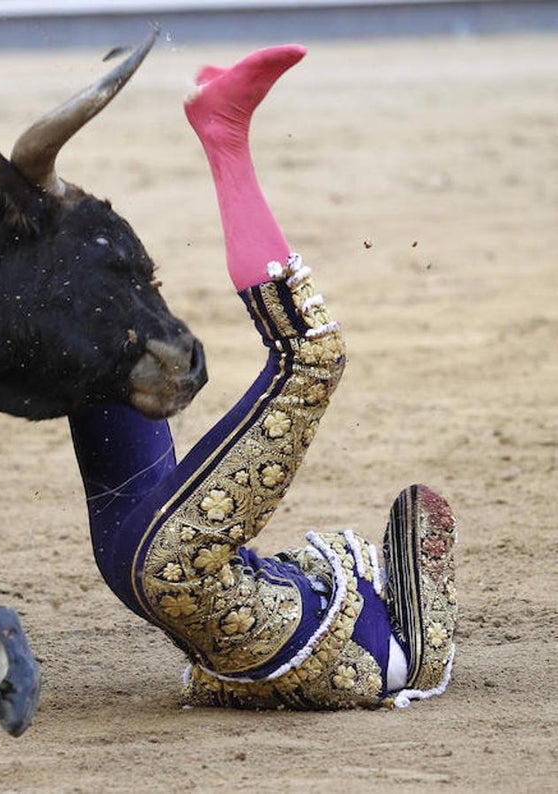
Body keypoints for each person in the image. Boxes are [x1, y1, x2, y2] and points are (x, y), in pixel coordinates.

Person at [68, 44, 457, 709]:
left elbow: (425, 521)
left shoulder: (410, 662)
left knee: (313, 358)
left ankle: (226, 138)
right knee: (93, 321)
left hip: (176, 564)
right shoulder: (322, 665)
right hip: (136, 565)